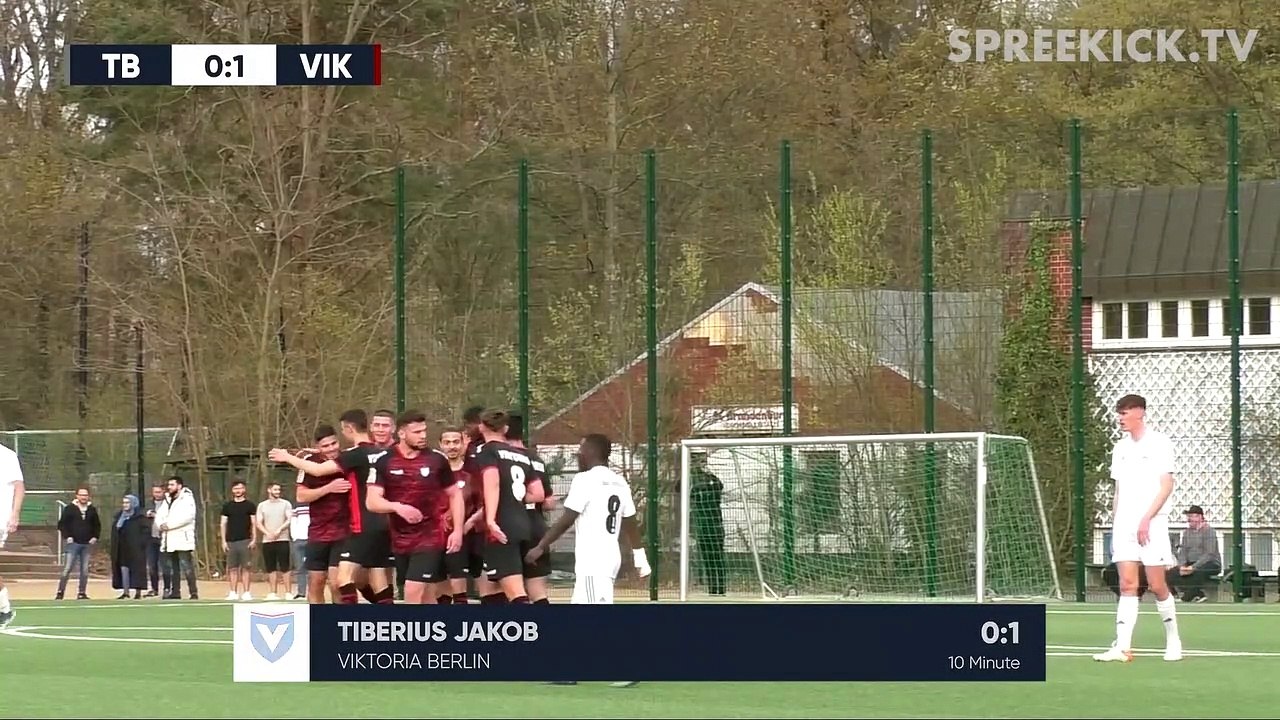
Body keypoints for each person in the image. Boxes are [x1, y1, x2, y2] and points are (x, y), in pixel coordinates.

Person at [525, 433, 650, 689]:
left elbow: (568, 517)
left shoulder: (585, 480)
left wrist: (540, 546)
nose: (578, 454)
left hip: (595, 558)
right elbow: (630, 520)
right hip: (608, 555)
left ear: (591, 452)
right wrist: (640, 556)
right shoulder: (619, 481)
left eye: (581, 449)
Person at [269, 409, 394, 605]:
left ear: (348, 428)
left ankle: (346, 627)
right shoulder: (381, 453)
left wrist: (287, 457)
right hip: (382, 522)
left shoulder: (353, 455)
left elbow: (319, 470)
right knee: (378, 577)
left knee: (342, 580)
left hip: (360, 525)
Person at [1094, 394, 1183, 663]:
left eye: (1125, 412)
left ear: (1139, 413)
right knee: (1127, 584)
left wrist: (1146, 519)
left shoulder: (1160, 443)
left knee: (1157, 584)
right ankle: (1122, 647)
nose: (1120, 418)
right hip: (1124, 525)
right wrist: (1116, 522)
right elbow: (1118, 490)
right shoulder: (1120, 448)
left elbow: (1167, 485)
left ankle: (1173, 639)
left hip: (1152, 524)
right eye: (1119, 413)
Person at [365, 411, 464, 604]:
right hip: (400, 538)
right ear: (402, 434)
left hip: (430, 536)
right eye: (417, 432)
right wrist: (398, 507)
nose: (423, 435)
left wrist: (458, 531)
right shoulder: (384, 460)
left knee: (412, 591)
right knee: (426, 596)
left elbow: (455, 494)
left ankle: (411, 632)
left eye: (424, 431)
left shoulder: (437, 459)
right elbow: (372, 501)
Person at [473, 409, 547, 603]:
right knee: (504, 586)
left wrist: (490, 519)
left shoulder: (486, 450)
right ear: (505, 428)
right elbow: (538, 494)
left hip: (502, 525)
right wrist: (515, 498)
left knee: (515, 593)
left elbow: (493, 482)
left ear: (481, 426)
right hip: (524, 523)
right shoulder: (522, 455)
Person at [434, 425, 497, 605]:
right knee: (442, 580)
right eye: (447, 442)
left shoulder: (474, 472)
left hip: (472, 534)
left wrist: (468, 523)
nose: (452, 446)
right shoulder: (434, 472)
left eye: (456, 442)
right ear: (440, 445)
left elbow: (487, 503)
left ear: (463, 444)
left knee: (471, 577)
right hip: (441, 535)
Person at [288, 424, 350, 603]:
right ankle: (318, 624)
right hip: (318, 531)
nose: (331, 449)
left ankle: (339, 625)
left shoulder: (348, 460)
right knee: (316, 581)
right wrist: (329, 488)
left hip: (344, 531)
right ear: (318, 448)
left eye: (334, 444)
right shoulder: (309, 463)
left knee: (337, 583)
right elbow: (301, 495)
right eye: (326, 446)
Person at [505, 413, 557, 604]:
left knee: (509, 589)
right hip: (537, 528)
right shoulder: (537, 459)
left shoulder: (503, 458)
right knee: (538, 591)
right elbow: (549, 502)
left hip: (510, 526)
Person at [156, 475, 199, 600]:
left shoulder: (187, 499)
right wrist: (160, 525)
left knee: (186, 566)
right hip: (169, 540)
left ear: (179, 486)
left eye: (172, 485)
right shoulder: (167, 499)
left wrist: (169, 525)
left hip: (182, 538)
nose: (169, 487)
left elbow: (188, 517)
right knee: (173, 568)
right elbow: (160, 515)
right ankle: (175, 592)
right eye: (169, 485)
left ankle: (193, 592)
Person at [689, 452, 726, 596]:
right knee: (707, 560)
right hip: (702, 529)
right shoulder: (696, 490)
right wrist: (689, 472)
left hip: (715, 528)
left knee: (718, 558)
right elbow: (679, 488)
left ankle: (721, 588)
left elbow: (719, 485)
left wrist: (710, 475)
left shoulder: (714, 488)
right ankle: (712, 589)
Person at [1167, 505, 1221, 603]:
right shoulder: (1187, 533)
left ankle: (1187, 598)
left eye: (1192, 516)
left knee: (1198, 573)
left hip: (1210, 563)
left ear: (1199, 517)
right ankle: (1196, 594)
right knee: (1170, 573)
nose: (1189, 519)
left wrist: (1193, 567)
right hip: (1190, 563)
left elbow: (1209, 554)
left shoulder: (1209, 532)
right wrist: (1182, 565)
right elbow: (1183, 550)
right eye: (1189, 516)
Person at [55, 486, 102, 600]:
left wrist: (95, 537)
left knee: (84, 571)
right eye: (81, 495)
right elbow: (62, 524)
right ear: (77, 496)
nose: (83, 497)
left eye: (85, 495)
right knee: (67, 569)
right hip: (73, 543)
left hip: (86, 544)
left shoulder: (92, 509)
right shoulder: (70, 508)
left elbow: (97, 525)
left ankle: (82, 593)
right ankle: (60, 592)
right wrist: (68, 536)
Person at [0, 440, 26, 628]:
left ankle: (4, 609)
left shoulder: (7, 455)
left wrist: (15, 514)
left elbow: (19, 487)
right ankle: (4, 609)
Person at [220, 479, 258, 601]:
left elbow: (254, 523)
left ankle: (247, 592)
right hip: (231, 541)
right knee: (232, 568)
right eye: (236, 488)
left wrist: (254, 539)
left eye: (240, 488)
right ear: (232, 490)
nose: (238, 491)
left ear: (244, 489)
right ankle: (233, 592)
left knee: (246, 567)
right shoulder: (227, 506)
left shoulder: (250, 505)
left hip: (245, 540)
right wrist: (223, 541)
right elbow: (223, 524)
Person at [256, 483, 293, 600]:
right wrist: (267, 533)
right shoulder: (262, 505)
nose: (277, 491)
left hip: (283, 539)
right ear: (269, 490)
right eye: (275, 489)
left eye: (279, 490)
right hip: (267, 541)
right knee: (270, 567)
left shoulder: (286, 504)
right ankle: (273, 592)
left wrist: (279, 530)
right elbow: (258, 522)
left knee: (285, 566)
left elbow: (289, 519)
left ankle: (288, 593)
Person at [110, 495, 149, 599]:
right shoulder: (119, 516)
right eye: (124, 503)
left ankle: (138, 592)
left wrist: (141, 543)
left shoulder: (140, 517)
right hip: (122, 547)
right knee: (124, 568)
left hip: (136, 548)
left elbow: (145, 532)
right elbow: (115, 530)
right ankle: (126, 592)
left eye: (127, 503)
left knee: (137, 569)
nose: (125, 505)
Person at [144, 484, 171, 598]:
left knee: (165, 565)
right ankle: (154, 589)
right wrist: (147, 514)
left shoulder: (168, 504)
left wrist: (157, 515)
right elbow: (143, 513)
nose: (157, 494)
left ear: (163, 492)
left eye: (159, 492)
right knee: (152, 565)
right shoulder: (149, 504)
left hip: (164, 539)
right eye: (155, 492)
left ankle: (167, 588)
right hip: (151, 539)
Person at [289, 501, 310, 600]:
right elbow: (293, 521)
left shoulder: (318, 503)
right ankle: (301, 593)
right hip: (299, 540)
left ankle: (312, 592)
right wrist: (295, 537)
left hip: (313, 539)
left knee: (314, 569)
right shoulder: (297, 505)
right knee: (300, 567)